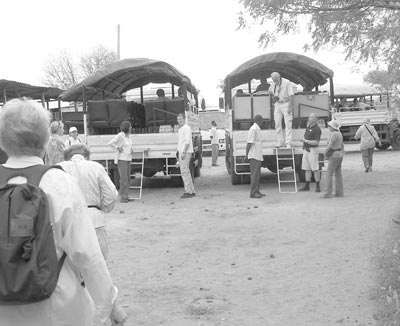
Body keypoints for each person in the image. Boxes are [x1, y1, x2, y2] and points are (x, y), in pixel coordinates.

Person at [0, 99, 126, 326]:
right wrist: (108, 305)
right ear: (46, 139)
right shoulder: (58, 183)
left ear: (3, 141)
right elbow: (87, 254)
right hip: (56, 307)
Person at [58, 144, 118, 259]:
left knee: (71, 267)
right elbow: (111, 193)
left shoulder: (59, 168)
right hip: (94, 219)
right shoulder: (96, 167)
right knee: (99, 264)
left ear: (67, 157)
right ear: (86, 156)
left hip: (68, 220)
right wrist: (104, 208)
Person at [108, 120, 134, 203]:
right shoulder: (121, 135)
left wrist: (131, 149)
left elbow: (128, 146)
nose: (131, 128)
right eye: (130, 126)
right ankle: (123, 197)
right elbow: (110, 143)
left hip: (128, 158)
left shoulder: (128, 136)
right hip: (122, 159)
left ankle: (126, 195)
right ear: (127, 127)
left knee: (128, 178)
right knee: (124, 179)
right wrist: (117, 147)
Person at [269, 72, 294, 148]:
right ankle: (280, 142)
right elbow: (270, 91)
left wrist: (290, 106)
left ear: (279, 77)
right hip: (277, 104)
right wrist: (273, 95)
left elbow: (291, 95)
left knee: (288, 123)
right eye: (273, 80)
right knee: (277, 123)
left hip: (286, 103)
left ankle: (288, 142)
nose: (275, 81)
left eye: (276, 79)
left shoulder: (287, 83)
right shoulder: (273, 84)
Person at [299, 113, 322, 192]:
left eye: (311, 117)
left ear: (315, 119)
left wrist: (306, 141)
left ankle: (318, 185)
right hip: (306, 150)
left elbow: (316, 142)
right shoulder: (308, 127)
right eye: (309, 117)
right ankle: (307, 185)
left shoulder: (317, 129)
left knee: (315, 168)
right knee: (306, 169)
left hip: (312, 150)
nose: (309, 118)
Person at [323, 120, 344, 198]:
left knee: (329, 173)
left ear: (332, 127)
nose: (328, 127)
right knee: (338, 174)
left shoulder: (334, 134)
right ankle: (339, 192)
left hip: (334, 154)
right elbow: (342, 145)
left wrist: (325, 153)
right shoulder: (339, 133)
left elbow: (330, 145)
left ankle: (328, 193)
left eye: (329, 126)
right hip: (339, 154)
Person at [245, 114, 265, 198]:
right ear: (259, 120)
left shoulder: (257, 129)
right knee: (254, 175)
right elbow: (249, 143)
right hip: (254, 156)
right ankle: (253, 193)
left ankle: (257, 191)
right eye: (262, 120)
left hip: (257, 155)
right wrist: (246, 155)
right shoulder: (253, 129)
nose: (262, 122)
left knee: (257, 175)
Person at [177, 113, 195, 198]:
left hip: (186, 152)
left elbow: (188, 141)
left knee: (184, 172)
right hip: (183, 152)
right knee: (186, 171)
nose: (179, 121)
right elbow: (181, 142)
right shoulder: (181, 129)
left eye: (180, 119)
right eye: (178, 119)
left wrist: (184, 152)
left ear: (184, 119)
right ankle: (191, 190)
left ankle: (188, 191)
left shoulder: (186, 128)